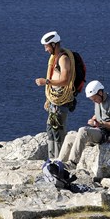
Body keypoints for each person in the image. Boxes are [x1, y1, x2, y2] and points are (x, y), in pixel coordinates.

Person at [57, 80, 110, 170]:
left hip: (106, 134)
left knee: (83, 130)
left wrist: (101, 124)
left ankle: (72, 163)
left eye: (94, 99)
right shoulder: (98, 101)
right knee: (69, 137)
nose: (94, 101)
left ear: (100, 92)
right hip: (98, 130)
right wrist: (94, 118)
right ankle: (60, 163)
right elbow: (100, 114)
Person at [35, 31, 76, 159]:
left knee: (58, 131)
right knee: (50, 129)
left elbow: (65, 80)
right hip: (54, 100)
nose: (45, 49)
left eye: (47, 46)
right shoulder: (55, 58)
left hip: (61, 101)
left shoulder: (63, 59)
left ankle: (59, 160)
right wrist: (48, 98)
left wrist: (45, 82)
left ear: (53, 44)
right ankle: (52, 158)